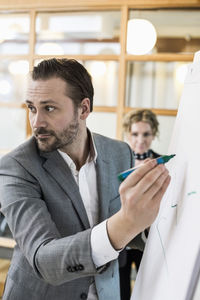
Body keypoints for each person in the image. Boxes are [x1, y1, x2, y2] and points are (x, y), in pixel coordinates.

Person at [0, 59, 170, 300]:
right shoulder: (16, 166)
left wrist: (155, 216)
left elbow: (129, 228)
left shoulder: (120, 152)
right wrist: (126, 221)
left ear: (83, 109)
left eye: (49, 108)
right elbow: (43, 259)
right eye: (31, 108)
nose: (36, 122)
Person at [119, 109, 161, 300]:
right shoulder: (117, 163)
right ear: (128, 134)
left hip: (149, 238)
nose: (140, 139)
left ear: (154, 135)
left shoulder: (163, 164)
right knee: (121, 291)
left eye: (146, 134)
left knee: (147, 291)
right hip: (120, 238)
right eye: (135, 134)